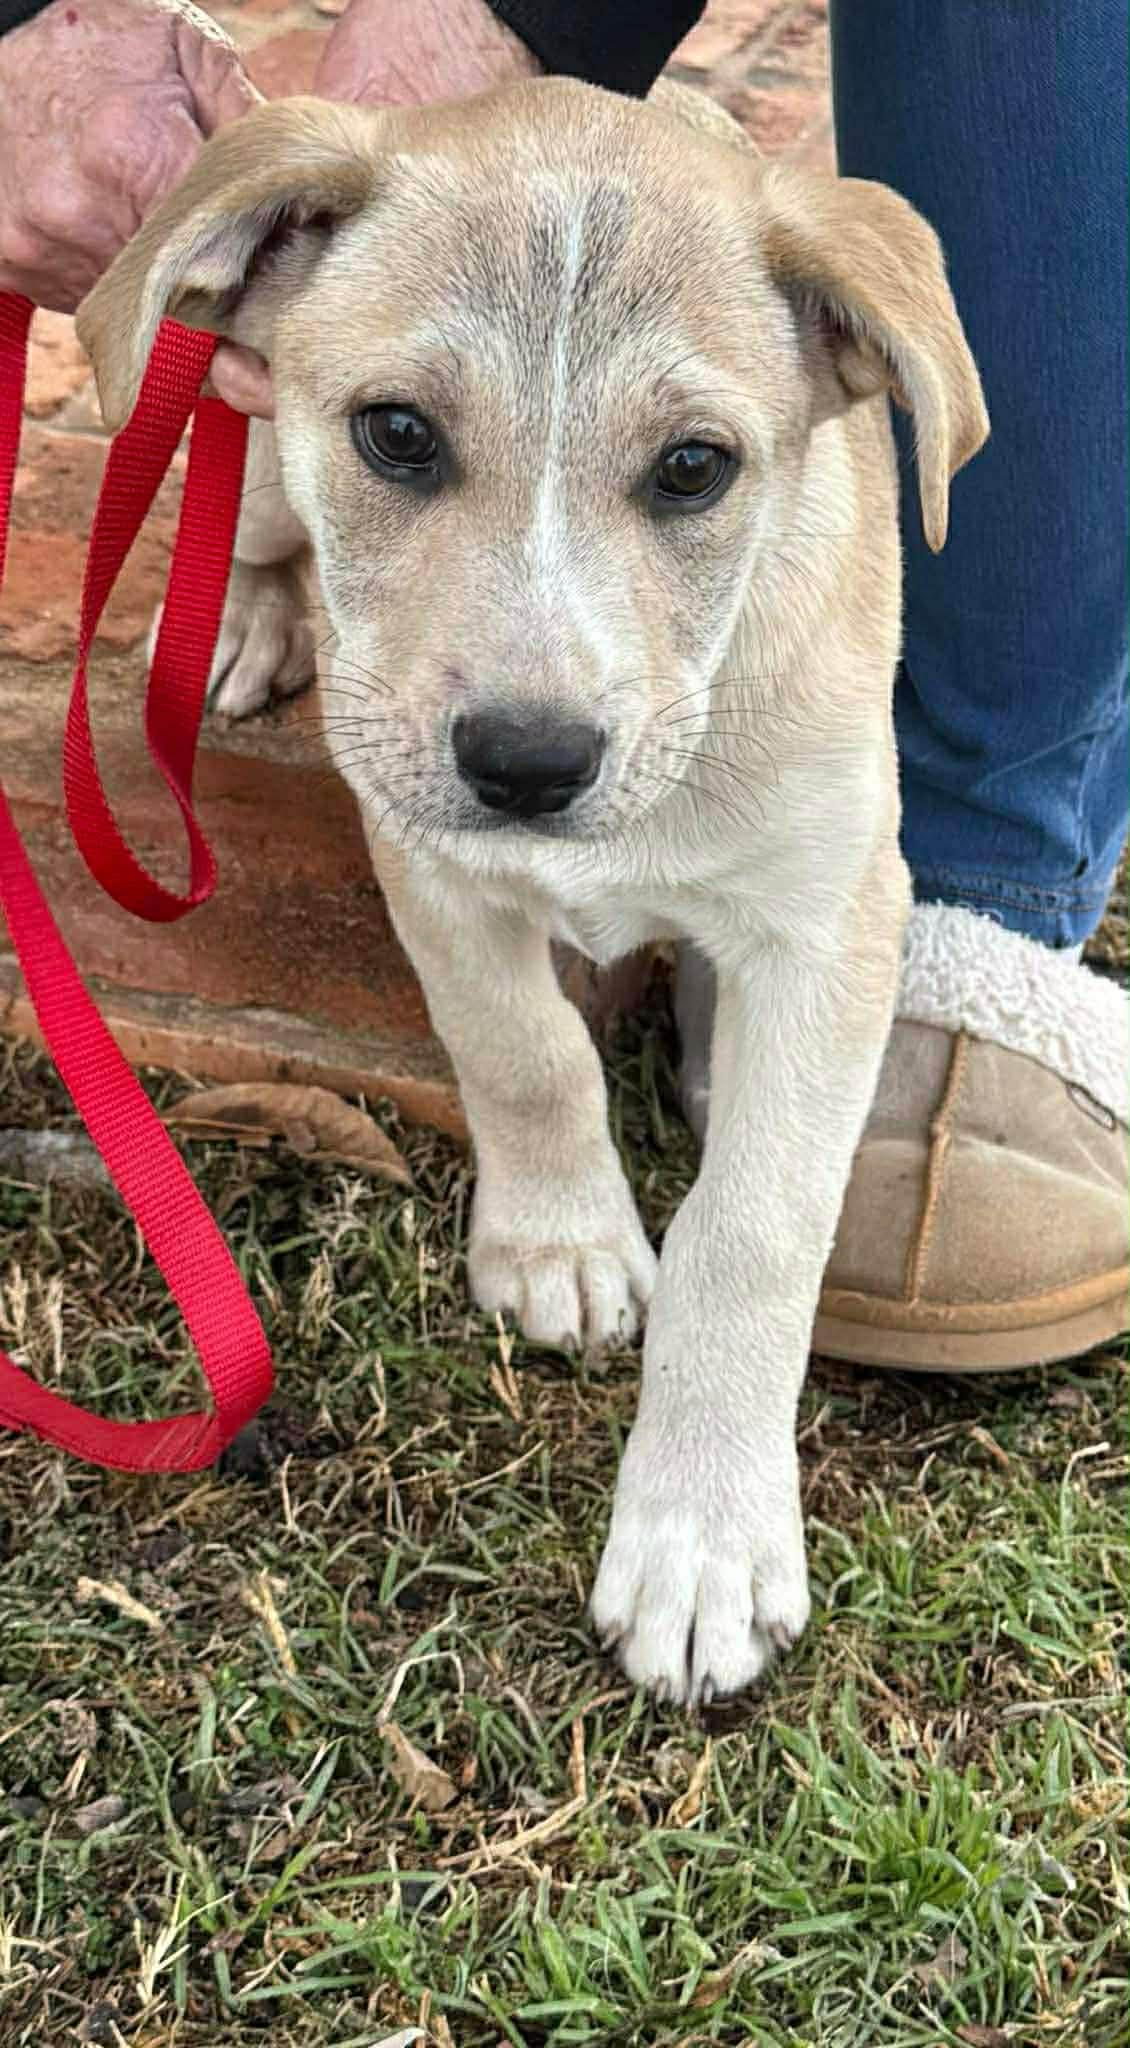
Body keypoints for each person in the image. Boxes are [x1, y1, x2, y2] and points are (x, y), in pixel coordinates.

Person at [1, 0, 1125, 1368]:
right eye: (406, 435)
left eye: (687, 468)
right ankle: (275, 563)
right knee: (265, 527)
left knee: (812, 899)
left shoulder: (784, 303)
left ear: (855, 359)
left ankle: (982, 896)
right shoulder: (324, 254)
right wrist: (535, 1136)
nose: (529, 698)